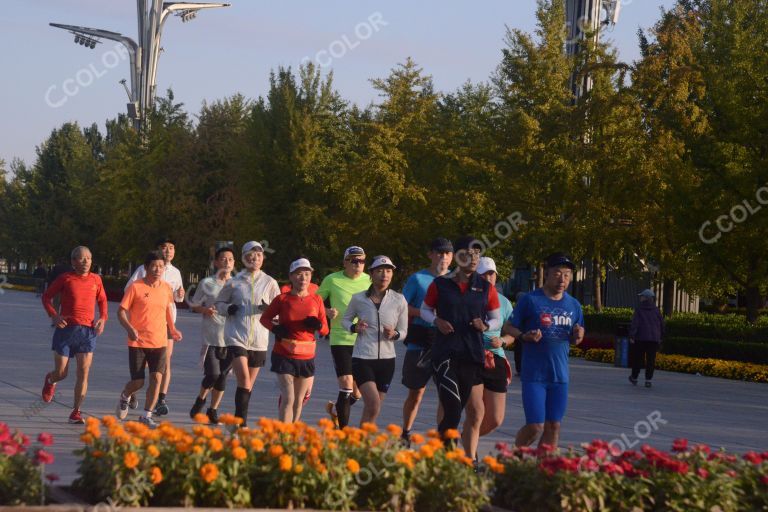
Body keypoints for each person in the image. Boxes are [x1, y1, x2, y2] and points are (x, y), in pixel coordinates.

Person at [420, 236, 502, 460]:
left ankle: (440, 456)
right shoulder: (441, 284)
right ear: (458, 256)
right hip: (444, 354)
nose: (474, 258)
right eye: (468, 253)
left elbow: (497, 319)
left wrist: (485, 325)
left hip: (471, 355)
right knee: (453, 408)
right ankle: (449, 459)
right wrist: (436, 321)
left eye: (477, 253)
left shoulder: (485, 287)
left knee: (458, 411)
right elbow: (425, 309)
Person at [507, 253, 585, 448]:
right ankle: (516, 457)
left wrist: (578, 335)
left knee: (554, 426)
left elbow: (577, 338)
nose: (562, 279)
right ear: (547, 273)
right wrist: (524, 336)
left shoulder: (574, 305)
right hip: (534, 375)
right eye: (557, 273)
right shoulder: (530, 300)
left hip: (560, 376)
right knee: (535, 426)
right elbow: (508, 327)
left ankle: (544, 472)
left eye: (567, 275)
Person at [215, 241, 280, 428]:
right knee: (243, 378)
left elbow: (279, 310)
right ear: (244, 258)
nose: (255, 258)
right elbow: (219, 304)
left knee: (247, 385)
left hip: (259, 340)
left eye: (258, 255)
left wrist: (269, 310)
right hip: (236, 336)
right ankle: (241, 423)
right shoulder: (234, 281)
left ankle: (238, 419)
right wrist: (228, 308)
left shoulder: (270, 282)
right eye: (250, 255)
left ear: (263, 258)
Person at [41, 246, 108, 424]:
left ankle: (76, 412)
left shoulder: (96, 280)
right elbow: (46, 297)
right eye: (81, 258)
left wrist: (103, 318)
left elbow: (102, 300)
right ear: (73, 262)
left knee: (83, 373)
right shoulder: (66, 278)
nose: (86, 261)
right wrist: (54, 316)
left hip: (87, 332)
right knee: (62, 373)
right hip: (66, 330)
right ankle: (51, 379)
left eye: (89, 258)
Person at [116, 251, 183, 428]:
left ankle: (146, 415)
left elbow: (168, 310)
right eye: (154, 266)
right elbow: (121, 311)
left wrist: (173, 329)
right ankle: (125, 395)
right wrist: (129, 328)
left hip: (160, 341)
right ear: (145, 268)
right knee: (138, 382)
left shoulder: (166, 288)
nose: (158, 269)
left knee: (156, 379)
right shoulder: (136, 287)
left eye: (161, 266)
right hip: (137, 342)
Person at [261, 258, 329, 423]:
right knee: (289, 398)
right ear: (291, 277)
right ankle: (283, 436)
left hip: (306, 356)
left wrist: (317, 324)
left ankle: (291, 434)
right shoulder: (282, 299)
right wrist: (276, 329)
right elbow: (265, 319)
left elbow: (325, 330)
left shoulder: (316, 300)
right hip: (283, 354)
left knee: (299, 401)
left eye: (307, 274)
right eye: (299, 274)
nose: (303, 278)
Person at [342, 256, 408, 426]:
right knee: (373, 404)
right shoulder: (358, 298)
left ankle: (361, 445)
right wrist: (354, 328)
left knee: (374, 409)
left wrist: (394, 334)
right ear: (371, 273)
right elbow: (345, 320)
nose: (384, 275)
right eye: (379, 271)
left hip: (387, 361)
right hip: (363, 358)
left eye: (388, 271)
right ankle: (360, 445)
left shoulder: (399, 300)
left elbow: (404, 331)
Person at [400, 238, 453, 446]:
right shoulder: (418, 279)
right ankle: (406, 432)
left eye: (448, 253)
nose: (444, 257)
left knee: (445, 393)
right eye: (439, 253)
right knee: (416, 392)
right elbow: (402, 306)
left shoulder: (454, 279)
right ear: (430, 255)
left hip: (446, 341)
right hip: (420, 340)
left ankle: (441, 437)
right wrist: (426, 312)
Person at [318, 246, 371, 428]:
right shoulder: (332, 280)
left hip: (364, 340)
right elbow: (313, 302)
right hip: (341, 339)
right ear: (345, 262)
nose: (359, 264)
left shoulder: (370, 280)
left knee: (358, 393)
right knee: (346, 384)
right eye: (354, 260)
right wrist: (326, 311)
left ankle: (337, 410)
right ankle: (343, 433)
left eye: (362, 261)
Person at [188, 246, 236, 424]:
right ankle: (200, 400)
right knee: (213, 374)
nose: (227, 262)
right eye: (223, 259)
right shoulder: (207, 283)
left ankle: (213, 410)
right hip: (211, 337)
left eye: (230, 259)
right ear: (216, 262)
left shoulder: (237, 284)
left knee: (223, 376)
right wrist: (204, 309)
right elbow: (194, 305)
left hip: (231, 338)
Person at [475, 257, 515, 438]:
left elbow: (512, 332)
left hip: (495, 359)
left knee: (495, 419)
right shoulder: (466, 298)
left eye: (491, 274)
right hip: (470, 357)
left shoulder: (504, 303)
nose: (488, 278)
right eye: (483, 274)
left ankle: (467, 439)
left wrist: (503, 341)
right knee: (475, 413)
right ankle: (470, 454)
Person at [629, 289, 665, 388]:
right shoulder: (657, 310)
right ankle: (648, 380)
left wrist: (632, 336)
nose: (640, 297)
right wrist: (661, 336)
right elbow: (662, 324)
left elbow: (635, 324)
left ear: (646, 298)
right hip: (654, 339)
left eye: (642, 296)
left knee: (638, 359)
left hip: (640, 338)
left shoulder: (639, 309)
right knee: (651, 360)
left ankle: (634, 377)